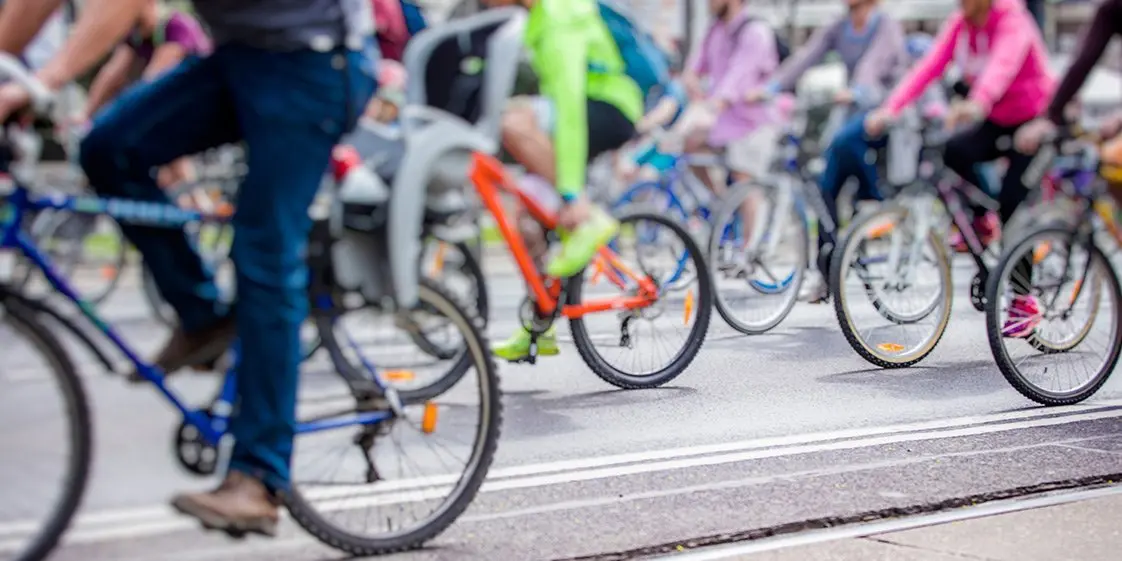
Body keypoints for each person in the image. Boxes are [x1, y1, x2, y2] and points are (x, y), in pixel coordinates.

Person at [0, 0, 377, 536]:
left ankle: (259, 476)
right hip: (241, 58)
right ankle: (203, 318)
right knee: (108, 148)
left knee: (264, 251)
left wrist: (42, 82)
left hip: (315, 63)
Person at [866, 0, 1054, 338]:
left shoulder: (1011, 18)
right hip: (995, 118)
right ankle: (982, 221)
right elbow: (929, 66)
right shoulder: (961, 23)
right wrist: (890, 108)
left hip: (1033, 120)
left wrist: (978, 101)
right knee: (952, 151)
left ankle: (1023, 299)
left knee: (1013, 204)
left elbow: (1003, 64)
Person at [484, 0, 642, 362]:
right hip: (576, 113)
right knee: (524, 222)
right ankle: (540, 323)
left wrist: (571, 193)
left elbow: (569, 108)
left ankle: (587, 217)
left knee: (514, 122)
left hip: (607, 106)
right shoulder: (537, 19)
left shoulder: (560, 15)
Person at [748, 0, 910, 302]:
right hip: (852, 113)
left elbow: (872, 65)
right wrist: (772, 87)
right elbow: (807, 56)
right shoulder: (838, 25)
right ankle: (827, 274)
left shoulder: (885, 25)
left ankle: (873, 198)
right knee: (825, 189)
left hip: (886, 112)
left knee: (842, 143)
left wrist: (858, 89)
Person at [81, 0, 211, 188]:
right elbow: (111, 75)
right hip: (175, 103)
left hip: (202, 100)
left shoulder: (176, 26)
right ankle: (187, 196)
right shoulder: (137, 34)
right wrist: (86, 114)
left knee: (162, 142)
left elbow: (152, 80)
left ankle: (195, 198)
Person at [681, 0, 782, 190]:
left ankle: (748, 208)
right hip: (722, 121)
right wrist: (690, 80)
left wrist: (712, 106)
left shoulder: (756, 31)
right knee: (689, 146)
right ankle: (719, 200)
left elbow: (737, 78)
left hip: (751, 124)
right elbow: (695, 66)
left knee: (743, 179)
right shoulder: (715, 30)